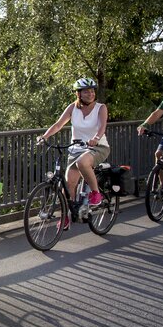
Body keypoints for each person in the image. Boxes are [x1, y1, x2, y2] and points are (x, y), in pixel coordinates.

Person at [36, 78, 110, 228]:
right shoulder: (72, 108)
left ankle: (96, 193)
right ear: (79, 94)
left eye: (92, 91)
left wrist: (96, 138)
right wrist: (44, 136)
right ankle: (65, 217)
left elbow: (102, 126)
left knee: (82, 162)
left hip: (97, 147)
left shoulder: (101, 108)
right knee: (69, 184)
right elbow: (58, 125)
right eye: (86, 91)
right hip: (76, 149)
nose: (90, 94)